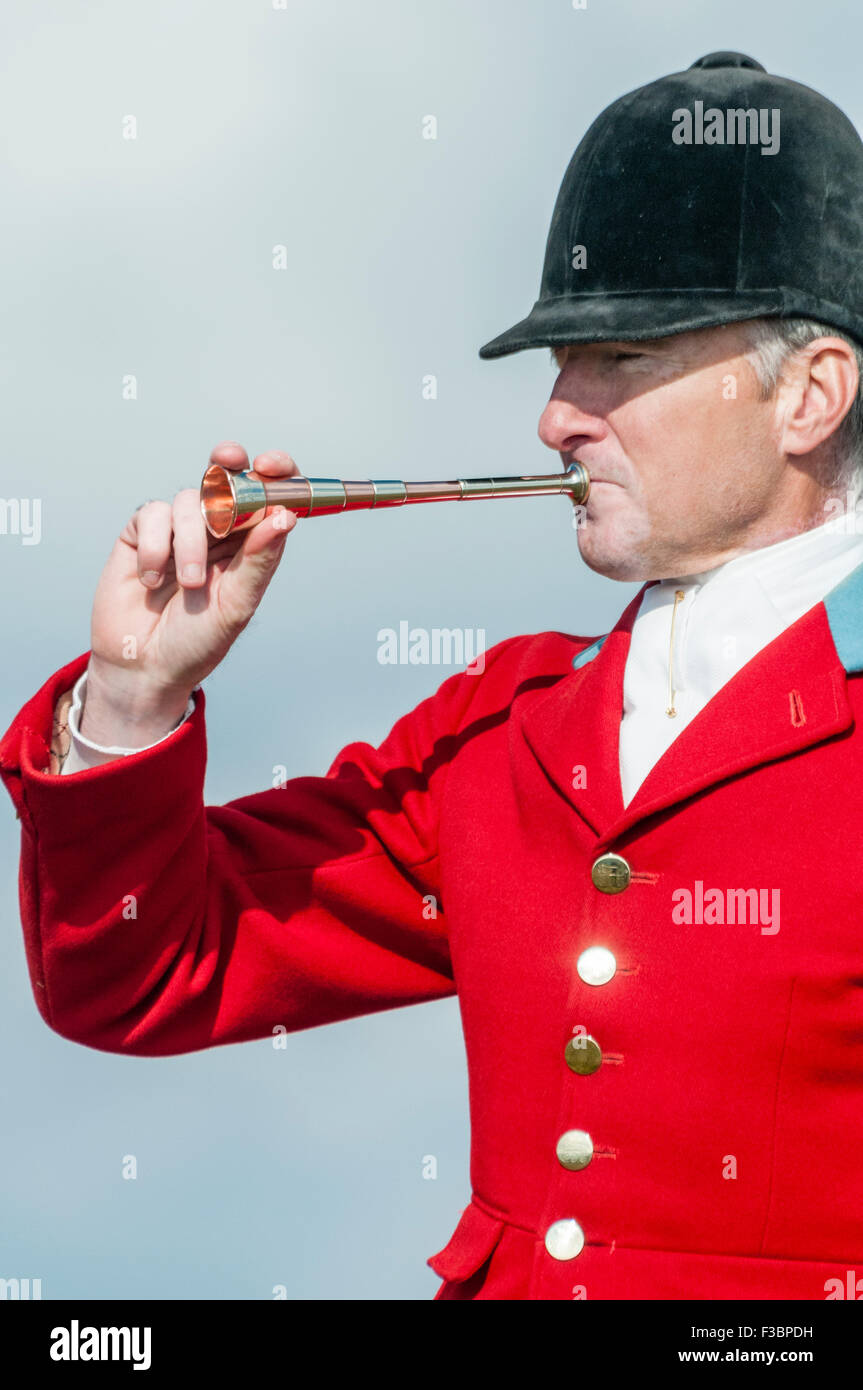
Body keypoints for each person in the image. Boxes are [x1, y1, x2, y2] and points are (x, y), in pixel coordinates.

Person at [3, 50, 863, 1301]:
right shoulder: (505, 726)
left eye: (618, 359)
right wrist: (135, 699)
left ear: (809, 396)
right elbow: (141, 973)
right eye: (558, 364)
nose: (555, 417)